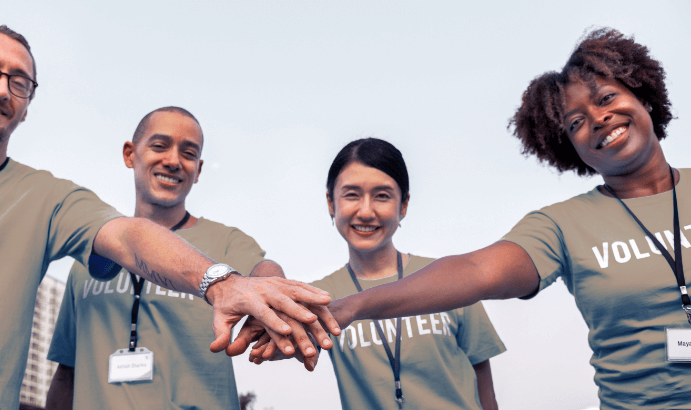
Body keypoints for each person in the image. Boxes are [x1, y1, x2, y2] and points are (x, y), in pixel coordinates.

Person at [244, 28, 690, 409]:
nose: (598, 118)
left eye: (607, 97)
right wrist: (347, 307)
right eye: (575, 122)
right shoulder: (562, 225)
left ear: (643, 95)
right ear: (567, 146)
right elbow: (475, 270)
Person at [0, 23, 336, 410]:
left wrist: (226, 283)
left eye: (19, 82)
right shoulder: (80, 271)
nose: (0, 89)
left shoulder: (49, 200)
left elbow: (131, 237)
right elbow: (66, 373)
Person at [44, 107, 335, 409]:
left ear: (198, 170)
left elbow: (263, 272)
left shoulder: (225, 242)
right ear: (130, 154)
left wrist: (273, 293)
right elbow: (67, 371)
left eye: (188, 153)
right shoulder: (92, 255)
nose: (173, 161)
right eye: (159, 146)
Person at [248, 138, 505, 410]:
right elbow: (288, 336)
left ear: (403, 205)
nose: (366, 211)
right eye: (351, 194)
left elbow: (484, 385)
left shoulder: (450, 278)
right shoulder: (317, 298)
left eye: (382, 196)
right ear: (331, 203)